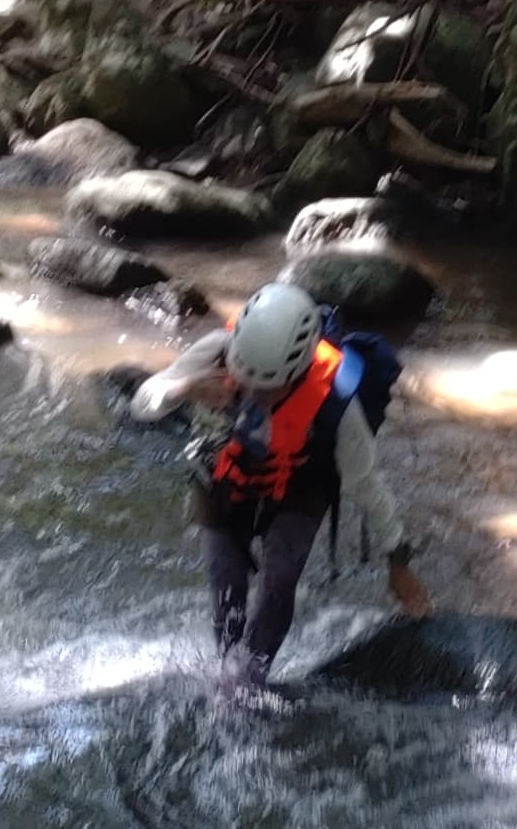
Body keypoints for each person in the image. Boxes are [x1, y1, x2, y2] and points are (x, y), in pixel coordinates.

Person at [133, 277, 430, 692]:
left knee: (280, 574)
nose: (253, 394)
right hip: (223, 472)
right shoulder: (218, 350)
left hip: (300, 481)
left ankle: (251, 681)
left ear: (300, 368)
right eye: (246, 379)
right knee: (226, 582)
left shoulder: (335, 401)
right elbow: (143, 402)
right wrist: (184, 386)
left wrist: (398, 562)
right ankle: (227, 675)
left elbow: (367, 484)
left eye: (269, 387)